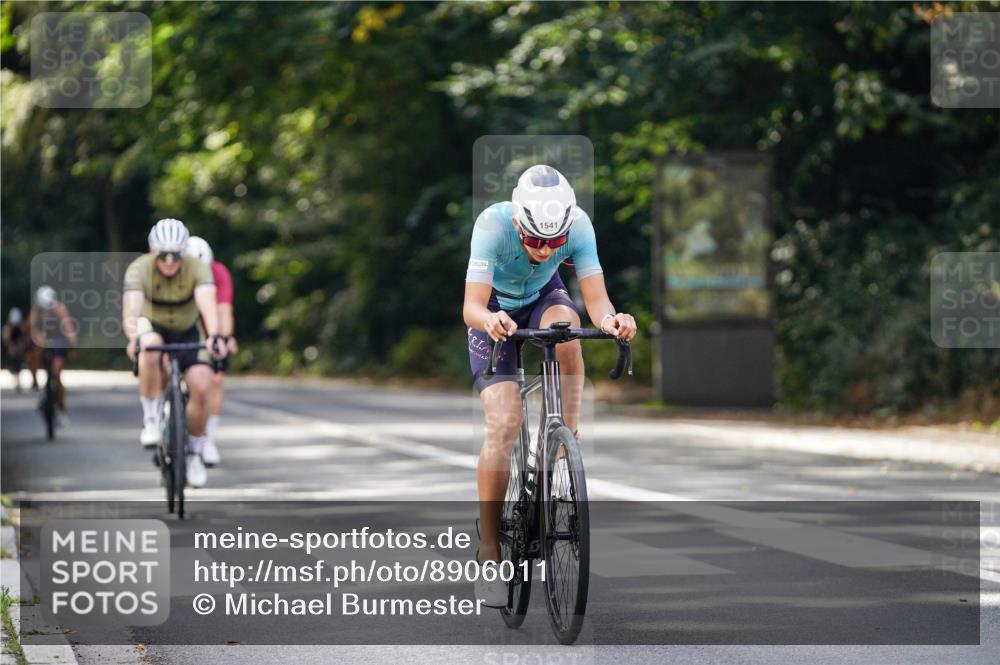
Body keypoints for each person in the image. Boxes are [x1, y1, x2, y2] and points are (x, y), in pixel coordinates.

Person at [463, 165, 637, 607]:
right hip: (495, 312)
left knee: (569, 327)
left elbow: (597, 300)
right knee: (504, 425)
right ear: (518, 224)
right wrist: (490, 320)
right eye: (534, 240)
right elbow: (471, 305)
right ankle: (488, 552)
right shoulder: (491, 224)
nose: (544, 250)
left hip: (544, 299)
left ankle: (565, 436)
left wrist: (612, 321)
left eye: (553, 242)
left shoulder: (577, 224)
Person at [122, 218, 228, 488]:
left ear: (184, 253)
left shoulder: (197, 268)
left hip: (187, 329)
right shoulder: (139, 269)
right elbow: (132, 310)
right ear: (152, 252)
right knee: (149, 347)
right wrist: (134, 338)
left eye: (176, 255)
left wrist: (215, 336)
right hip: (153, 324)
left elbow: (208, 305)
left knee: (202, 386)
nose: (169, 261)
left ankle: (194, 451)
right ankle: (150, 419)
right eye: (163, 255)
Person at [184, 236, 237, 467]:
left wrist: (225, 338)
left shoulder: (219, 272)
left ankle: (209, 440)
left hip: (210, 330)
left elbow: (224, 309)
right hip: (183, 328)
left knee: (214, 381)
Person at [28, 286, 77, 422]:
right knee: (34, 354)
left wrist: (72, 341)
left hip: (58, 340)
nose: (47, 310)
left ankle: (61, 407)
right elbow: (33, 329)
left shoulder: (59, 308)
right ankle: (35, 381)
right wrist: (39, 339)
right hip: (42, 340)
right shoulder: (36, 311)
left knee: (57, 373)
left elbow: (68, 327)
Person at [2, 307, 32, 392]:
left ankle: (18, 376)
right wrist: (11, 347)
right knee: (14, 361)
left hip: (19, 347)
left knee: (19, 362)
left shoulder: (21, 327)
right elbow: (7, 340)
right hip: (13, 347)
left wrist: (21, 347)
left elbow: (23, 339)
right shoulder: (7, 328)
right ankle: (15, 374)